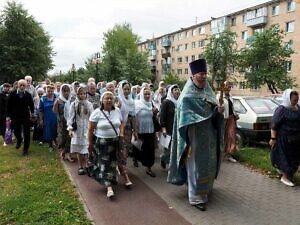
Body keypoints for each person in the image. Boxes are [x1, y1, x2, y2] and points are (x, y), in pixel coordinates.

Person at [167, 59, 224, 211]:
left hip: (209, 136)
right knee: (195, 167)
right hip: (194, 138)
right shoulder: (186, 96)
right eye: (201, 73)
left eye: (205, 73)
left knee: (209, 164)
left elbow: (214, 114)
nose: (204, 76)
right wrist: (212, 112)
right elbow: (186, 118)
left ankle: (205, 190)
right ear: (193, 75)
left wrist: (219, 112)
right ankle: (195, 197)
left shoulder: (208, 91)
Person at [88, 91, 125, 198]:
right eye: (106, 98)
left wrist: (121, 133)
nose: (109, 100)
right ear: (102, 101)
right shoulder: (97, 112)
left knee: (113, 163)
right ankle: (108, 187)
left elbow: (121, 123)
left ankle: (111, 181)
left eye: (110, 98)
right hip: (102, 143)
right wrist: (90, 143)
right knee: (104, 164)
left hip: (115, 142)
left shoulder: (117, 111)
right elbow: (90, 129)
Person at [269, 89, 300, 187]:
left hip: (295, 139)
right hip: (283, 139)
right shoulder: (281, 109)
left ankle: (287, 174)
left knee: (294, 159)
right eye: (294, 100)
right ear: (288, 99)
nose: (296, 102)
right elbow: (274, 125)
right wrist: (273, 138)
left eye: (297, 99)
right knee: (285, 158)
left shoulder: (298, 107)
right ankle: (285, 177)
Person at [68, 87, 93, 175]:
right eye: (80, 94)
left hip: (86, 128)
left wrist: (92, 128)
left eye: (84, 94)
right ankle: (80, 166)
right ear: (78, 94)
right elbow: (70, 117)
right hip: (77, 129)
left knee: (86, 147)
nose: (82, 95)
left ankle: (87, 165)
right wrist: (70, 129)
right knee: (79, 148)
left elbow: (91, 117)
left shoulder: (89, 104)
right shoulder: (74, 104)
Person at [133, 86, 157, 177]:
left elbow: (153, 115)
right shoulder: (137, 104)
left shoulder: (151, 103)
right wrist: (135, 130)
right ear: (142, 95)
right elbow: (134, 118)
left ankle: (149, 168)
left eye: (148, 94)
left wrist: (155, 112)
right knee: (139, 147)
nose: (147, 95)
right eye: (145, 94)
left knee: (150, 149)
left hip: (150, 130)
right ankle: (135, 158)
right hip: (140, 130)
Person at [7, 79, 34, 156]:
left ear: (25, 86)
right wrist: (8, 116)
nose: (22, 87)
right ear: (18, 85)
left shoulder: (28, 95)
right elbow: (8, 105)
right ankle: (19, 140)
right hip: (15, 116)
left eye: (23, 85)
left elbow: (31, 105)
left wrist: (32, 113)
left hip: (25, 116)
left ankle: (25, 149)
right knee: (16, 131)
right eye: (20, 85)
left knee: (27, 132)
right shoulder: (12, 94)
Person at [117, 80, 135, 186]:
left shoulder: (131, 100)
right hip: (120, 126)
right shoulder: (118, 99)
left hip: (128, 126)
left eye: (128, 89)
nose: (127, 91)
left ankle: (123, 165)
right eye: (125, 89)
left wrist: (135, 129)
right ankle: (121, 167)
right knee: (121, 147)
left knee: (127, 147)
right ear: (121, 89)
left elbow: (133, 116)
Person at [159, 84, 180, 169]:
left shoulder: (180, 102)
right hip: (169, 129)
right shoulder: (166, 102)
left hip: (178, 128)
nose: (177, 91)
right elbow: (162, 116)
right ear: (171, 92)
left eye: (178, 90)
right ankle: (163, 158)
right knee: (168, 149)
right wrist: (163, 128)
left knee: (176, 148)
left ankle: (173, 166)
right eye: (175, 90)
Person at [53, 84, 73, 162]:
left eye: (67, 91)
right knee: (63, 138)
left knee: (70, 137)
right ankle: (64, 152)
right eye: (64, 91)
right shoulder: (59, 99)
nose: (66, 93)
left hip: (70, 122)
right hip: (62, 122)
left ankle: (67, 154)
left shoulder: (72, 99)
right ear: (61, 91)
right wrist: (56, 103)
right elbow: (54, 111)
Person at [220, 81, 239, 162]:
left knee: (231, 137)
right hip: (223, 119)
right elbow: (218, 108)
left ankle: (229, 154)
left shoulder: (230, 97)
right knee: (223, 137)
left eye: (230, 87)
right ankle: (221, 154)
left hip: (231, 119)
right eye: (227, 86)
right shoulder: (219, 96)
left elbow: (232, 108)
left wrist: (235, 114)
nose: (228, 88)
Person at [39, 84, 57, 151]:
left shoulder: (56, 97)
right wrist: (41, 119)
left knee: (55, 130)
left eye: (52, 91)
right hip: (47, 118)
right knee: (48, 131)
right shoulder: (43, 99)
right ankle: (50, 145)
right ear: (46, 91)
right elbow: (40, 110)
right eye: (49, 91)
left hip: (55, 117)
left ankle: (55, 141)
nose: (50, 93)